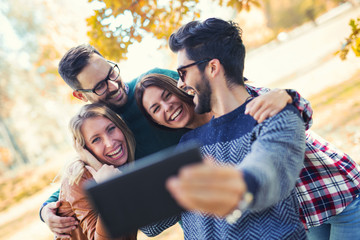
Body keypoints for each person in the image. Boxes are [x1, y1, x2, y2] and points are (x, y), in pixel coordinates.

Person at [40, 44, 313, 237]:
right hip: (200, 214)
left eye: (111, 72)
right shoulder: (99, 130)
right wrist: (46, 211)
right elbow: (77, 178)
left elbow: (221, 95)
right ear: (80, 95)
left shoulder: (154, 85)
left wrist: (281, 95)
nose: (113, 85)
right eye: (100, 86)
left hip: (251, 173)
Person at [140, 17, 309, 239]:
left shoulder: (276, 115)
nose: (180, 84)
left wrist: (240, 188)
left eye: (182, 73)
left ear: (212, 67)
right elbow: (151, 227)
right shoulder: (188, 144)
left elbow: (268, 170)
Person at [136, 73, 360, 239]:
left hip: (336, 190)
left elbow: (300, 115)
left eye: (167, 96)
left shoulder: (228, 103)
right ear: (155, 121)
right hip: (308, 213)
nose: (167, 106)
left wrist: (287, 96)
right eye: (156, 109)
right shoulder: (191, 146)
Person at [56, 103, 137, 240]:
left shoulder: (126, 166)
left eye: (111, 129)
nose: (110, 143)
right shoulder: (79, 178)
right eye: (96, 139)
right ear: (85, 149)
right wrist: (109, 191)